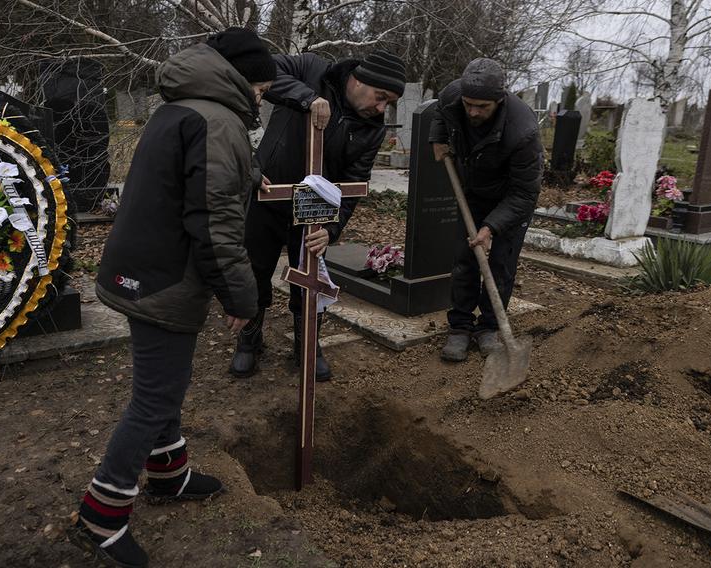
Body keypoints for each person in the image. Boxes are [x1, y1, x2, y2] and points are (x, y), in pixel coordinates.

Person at [68, 28, 275, 568]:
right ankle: (101, 515)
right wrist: (241, 299)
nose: (261, 99)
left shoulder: (180, 110)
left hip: (140, 268)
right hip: (167, 278)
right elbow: (214, 223)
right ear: (241, 78)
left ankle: (167, 473)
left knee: (166, 382)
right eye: (261, 88)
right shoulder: (219, 121)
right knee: (155, 396)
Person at [229, 49, 406, 381]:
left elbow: (355, 184)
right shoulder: (312, 70)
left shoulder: (371, 130)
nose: (382, 108)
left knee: (311, 279)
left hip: (314, 211)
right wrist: (308, 97)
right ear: (357, 80)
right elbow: (264, 72)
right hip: (269, 191)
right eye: (381, 97)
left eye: (390, 102)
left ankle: (307, 343)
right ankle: (249, 340)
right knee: (255, 267)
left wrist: (333, 229)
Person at [429, 58, 543, 362]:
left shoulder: (523, 132)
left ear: (500, 100)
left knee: (501, 265)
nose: (473, 112)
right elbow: (441, 110)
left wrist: (491, 227)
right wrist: (437, 138)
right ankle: (460, 327)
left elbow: (524, 192)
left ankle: (489, 327)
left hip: (511, 198)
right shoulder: (454, 95)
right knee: (464, 259)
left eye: (482, 106)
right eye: (469, 105)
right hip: (473, 190)